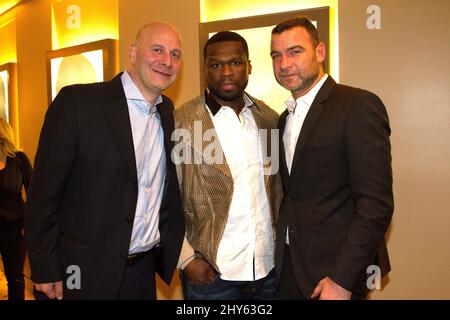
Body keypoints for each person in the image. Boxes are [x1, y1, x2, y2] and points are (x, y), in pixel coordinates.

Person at [24, 22, 185, 300]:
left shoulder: (167, 112)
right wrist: (45, 267)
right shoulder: (78, 103)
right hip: (81, 270)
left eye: (175, 54)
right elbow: (43, 195)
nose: (167, 61)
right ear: (133, 53)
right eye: (157, 50)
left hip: (143, 271)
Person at [270, 17, 393, 300]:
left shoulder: (358, 105)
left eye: (295, 52)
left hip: (334, 273)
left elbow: (376, 204)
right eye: (276, 55)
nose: (284, 64)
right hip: (288, 269)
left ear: (320, 52)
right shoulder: (282, 119)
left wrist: (342, 279)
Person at [173, 31, 282, 300]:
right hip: (211, 275)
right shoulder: (183, 122)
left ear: (249, 66)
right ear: (205, 69)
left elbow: (280, 191)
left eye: (235, 62)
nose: (226, 72)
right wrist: (186, 259)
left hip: (268, 272)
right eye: (216, 64)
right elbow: (164, 198)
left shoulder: (269, 120)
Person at [0, 118, 32, 300]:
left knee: (15, 277)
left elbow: (34, 194)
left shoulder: (19, 160)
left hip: (15, 229)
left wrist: (28, 225)